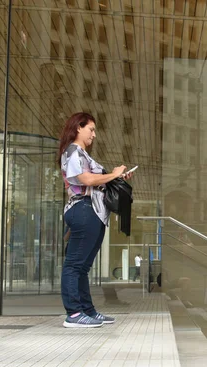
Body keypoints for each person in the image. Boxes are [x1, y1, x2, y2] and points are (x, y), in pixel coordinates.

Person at [58, 112, 133, 328]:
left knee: (82, 266)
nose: (94, 135)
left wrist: (117, 177)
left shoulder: (82, 154)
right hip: (83, 209)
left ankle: (86, 311)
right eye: (91, 129)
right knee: (74, 265)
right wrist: (113, 174)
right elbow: (85, 179)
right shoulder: (72, 152)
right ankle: (73, 314)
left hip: (93, 212)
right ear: (78, 128)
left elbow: (96, 181)